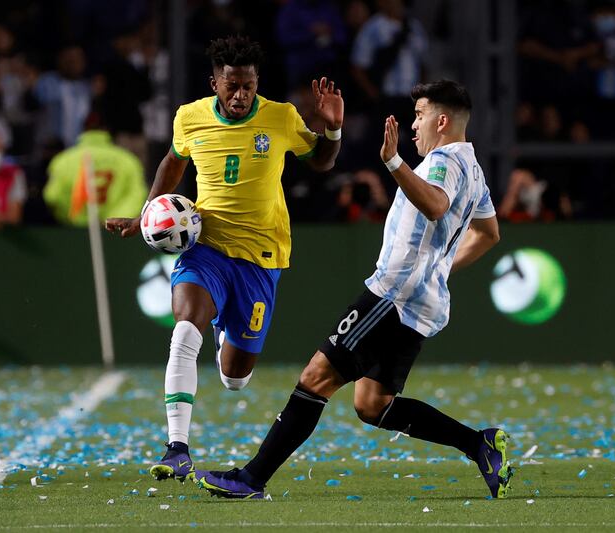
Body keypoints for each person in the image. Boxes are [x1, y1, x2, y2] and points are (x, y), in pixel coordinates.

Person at [194, 79, 513, 500]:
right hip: (421, 304)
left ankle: (251, 479)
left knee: (315, 378)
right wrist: (439, 269)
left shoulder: (443, 162)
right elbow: (489, 232)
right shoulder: (473, 167)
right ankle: (479, 444)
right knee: (372, 405)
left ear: (441, 120)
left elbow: (435, 205)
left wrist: (394, 162)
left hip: (391, 297)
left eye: (418, 115)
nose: (413, 125)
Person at [104, 35, 343, 484]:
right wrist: (147, 216)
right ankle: (177, 448)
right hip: (205, 246)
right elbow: (172, 167)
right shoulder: (189, 118)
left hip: (261, 257)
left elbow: (323, 163)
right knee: (183, 330)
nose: (240, 95)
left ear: (257, 83)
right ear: (214, 82)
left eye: (248, 86)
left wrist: (332, 128)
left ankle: (223, 335)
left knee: (236, 376)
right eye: (231, 85)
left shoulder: (281, 117)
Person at [43, 112, 147, 226]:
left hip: (74, 232)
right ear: (106, 129)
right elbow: (137, 195)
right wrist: (115, 219)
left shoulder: (62, 161)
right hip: (116, 232)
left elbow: (53, 196)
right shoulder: (128, 160)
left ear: (83, 129)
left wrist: (76, 219)